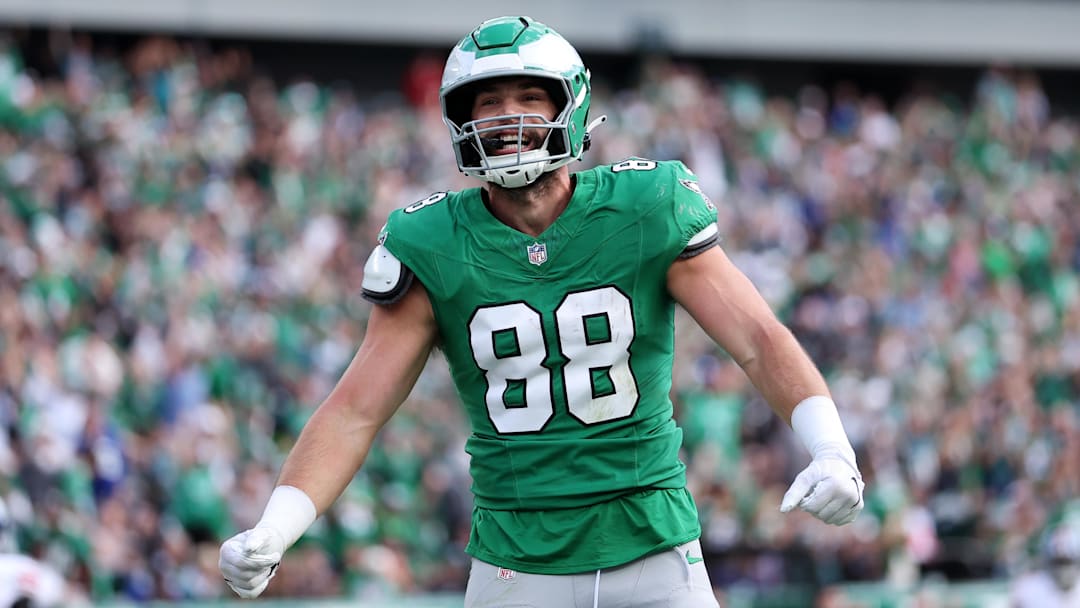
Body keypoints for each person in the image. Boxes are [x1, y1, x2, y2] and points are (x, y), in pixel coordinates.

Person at [219, 15, 864, 607]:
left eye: (529, 97)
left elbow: (756, 337)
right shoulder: (432, 242)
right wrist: (275, 528)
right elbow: (356, 411)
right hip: (514, 563)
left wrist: (831, 448)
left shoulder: (646, 205)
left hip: (654, 546)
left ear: (571, 106)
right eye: (489, 102)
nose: (507, 117)